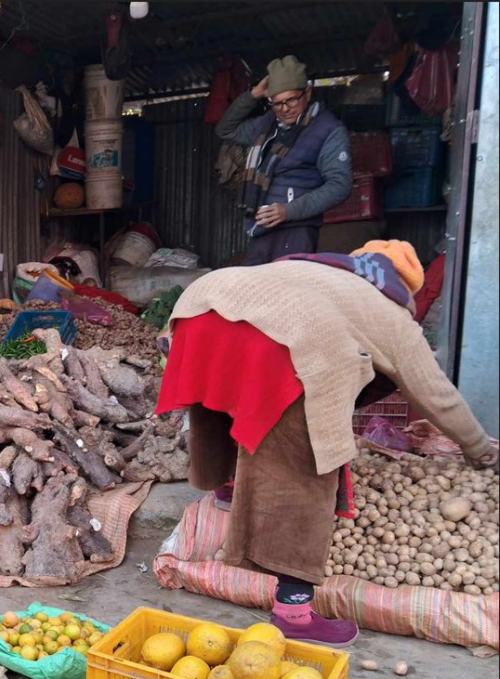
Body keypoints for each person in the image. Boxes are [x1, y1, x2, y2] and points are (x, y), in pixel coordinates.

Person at [156, 240, 495, 646]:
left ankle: (228, 487)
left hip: (201, 308)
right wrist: (481, 450)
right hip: (283, 339)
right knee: (306, 465)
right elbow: (434, 393)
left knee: (225, 398)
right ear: (407, 288)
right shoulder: (388, 310)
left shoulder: (317, 269)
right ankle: (294, 610)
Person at [216, 55, 352, 265]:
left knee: (289, 293)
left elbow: (340, 185)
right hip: (260, 227)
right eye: (277, 103)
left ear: (307, 93)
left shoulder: (328, 130)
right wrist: (253, 95)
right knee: (258, 293)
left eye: (291, 100)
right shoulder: (267, 124)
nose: (284, 109)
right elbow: (225, 129)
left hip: (296, 231)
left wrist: (288, 211)